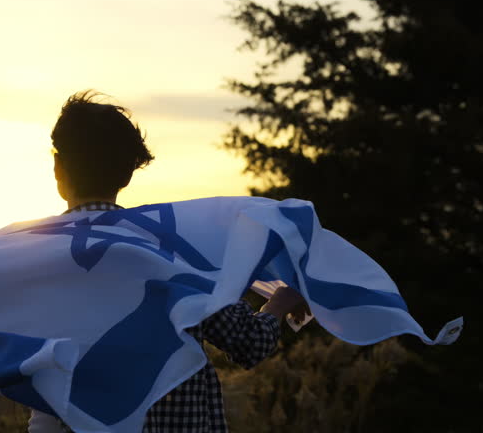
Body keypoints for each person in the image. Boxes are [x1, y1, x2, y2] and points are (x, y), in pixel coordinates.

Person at [28, 91, 309, 433]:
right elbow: (247, 342)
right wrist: (279, 303)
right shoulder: (170, 254)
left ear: (58, 167)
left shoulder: (29, 263)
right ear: (128, 172)